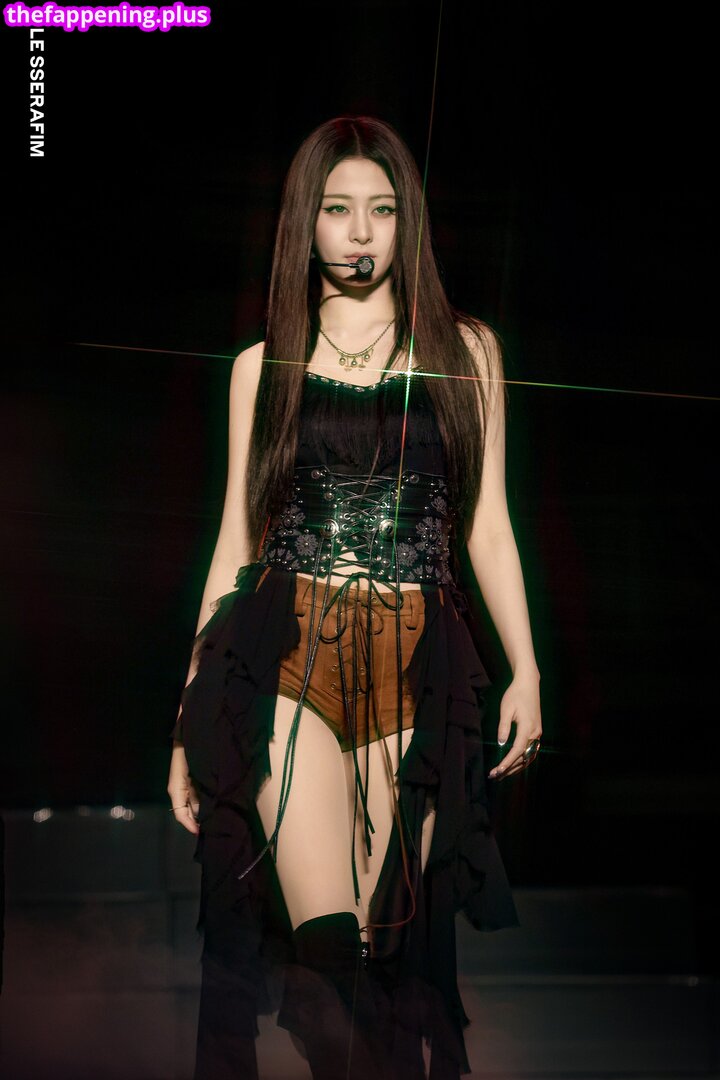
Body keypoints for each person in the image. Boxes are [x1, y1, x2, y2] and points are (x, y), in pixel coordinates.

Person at [167, 116, 542, 1080]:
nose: (361, 232)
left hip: (420, 661)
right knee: (327, 957)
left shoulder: (466, 352)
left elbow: (487, 526)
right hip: (285, 654)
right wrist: (186, 722)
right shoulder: (262, 367)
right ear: (308, 221)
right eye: (338, 209)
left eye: (382, 209)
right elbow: (234, 542)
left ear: (408, 221)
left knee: (391, 969)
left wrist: (526, 670)